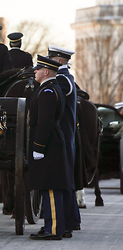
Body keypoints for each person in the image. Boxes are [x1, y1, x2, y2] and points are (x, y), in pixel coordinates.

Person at [28, 55, 70, 240]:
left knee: (51, 187)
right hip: (52, 144)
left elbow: (44, 122)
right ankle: (54, 226)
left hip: (49, 145)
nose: (34, 71)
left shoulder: (47, 92)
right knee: (50, 187)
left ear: (46, 72)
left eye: (37, 69)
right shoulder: (50, 89)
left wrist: (38, 147)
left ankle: (53, 230)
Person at [48, 45, 80, 236]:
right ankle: (72, 220)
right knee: (67, 180)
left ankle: (66, 222)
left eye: (51, 59)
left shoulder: (61, 80)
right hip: (67, 135)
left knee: (63, 180)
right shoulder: (67, 78)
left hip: (62, 136)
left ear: (58, 61)